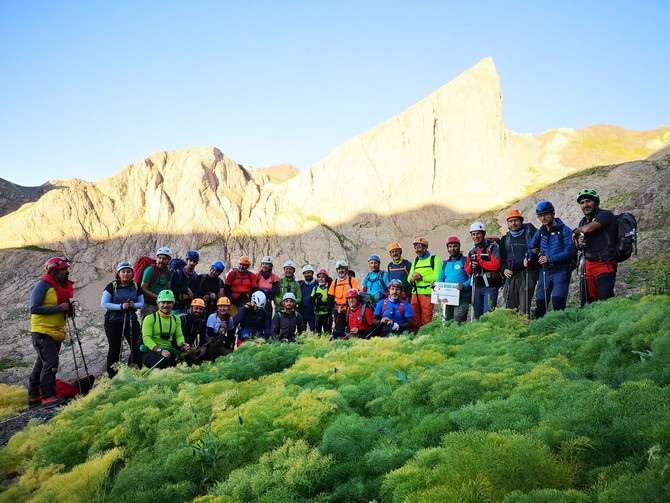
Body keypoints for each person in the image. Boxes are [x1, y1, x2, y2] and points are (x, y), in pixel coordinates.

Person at [28, 257, 74, 409]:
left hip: (56, 332)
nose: (67, 272)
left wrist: (68, 310)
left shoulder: (60, 287)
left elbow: (60, 307)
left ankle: (34, 396)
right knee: (51, 362)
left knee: (42, 364)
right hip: (42, 332)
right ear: (54, 272)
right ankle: (47, 397)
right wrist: (59, 308)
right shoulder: (42, 285)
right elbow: (33, 308)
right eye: (64, 270)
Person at [525, 201, 577, 318]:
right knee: (541, 303)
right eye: (540, 216)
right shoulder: (541, 232)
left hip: (562, 270)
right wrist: (528, 257)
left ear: (553, 214)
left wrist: (549, 258)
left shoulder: (565, 230)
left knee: (558, 301)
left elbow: (570, 251)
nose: (543, 218)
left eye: (546, 215)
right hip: (545, 271)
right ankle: (541, 331)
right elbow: (532, 247)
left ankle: (560, 328)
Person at [572, 188, 618, 302]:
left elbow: (588, 229)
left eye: (588, 201)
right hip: (588, 264)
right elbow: (579, 247)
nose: (585, 205)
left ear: (595, 202)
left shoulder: (605, 215)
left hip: (604, 262)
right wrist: (579, 243)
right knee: (589, 300)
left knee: (605, 300)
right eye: (582, 203)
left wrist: (575, 232)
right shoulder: (583, 222)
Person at [100, 261, 145, 377]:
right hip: (113, 321)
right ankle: (113, 375)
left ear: (132, 273)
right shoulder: (112, 286)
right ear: (118, 273)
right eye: (123, 271)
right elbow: (104, 303)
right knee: (115, 349)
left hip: (131, 319)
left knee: (136, 346)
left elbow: (141, 302)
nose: (126, 274)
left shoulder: (136, 286)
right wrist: (121, 307)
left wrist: (133, 305)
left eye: (128, 271)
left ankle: (135, 371)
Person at [500, 210, 538, 315]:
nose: (513, 223)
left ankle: (525, 326)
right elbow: (502, 258)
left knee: (525, 305)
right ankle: (512, 328)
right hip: (511, 273)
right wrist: (504, 270)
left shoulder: (530, 235)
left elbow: (536, 249)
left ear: (521, 221)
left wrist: (530, 258)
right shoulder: (504, 239)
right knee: (510, 307)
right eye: (510, 221)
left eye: (516, 220)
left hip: (528, 272)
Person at [141, 290, 190, 370]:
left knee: (178, 367)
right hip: (151, 351)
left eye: (169, 303)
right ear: (158, 304)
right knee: (161, 363)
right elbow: (146, 339)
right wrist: (160, 351)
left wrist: (182, 343)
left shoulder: (176, 319)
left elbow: (179, 335)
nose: (165, 305)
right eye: (163, 303)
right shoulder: (149, 318)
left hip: (168, 351)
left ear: (173, 304)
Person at [464, 223, 503, 321]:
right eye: (473, 234)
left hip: (490, 286)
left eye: (478, 234)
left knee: (488, 315)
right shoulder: (472, 252)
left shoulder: (493, 248)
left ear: (483, 233)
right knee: (477, 315)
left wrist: (479, 262)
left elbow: (496, 265)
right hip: (476, 286)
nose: (476, 236)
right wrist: (471, 266)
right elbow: (467, 270)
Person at [434, 236, 471, 323]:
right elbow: (440, 279)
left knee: (458, 319)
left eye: (455, 246)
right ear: (447, 248)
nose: (452, 249)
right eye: (450, 247)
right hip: (447, 297)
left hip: (462, 296)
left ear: (459, 246)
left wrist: (464, 285)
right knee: (447, 320)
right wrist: (436, 286)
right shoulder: (445, 264)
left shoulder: (465, 261)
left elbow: (471, 278)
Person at [408, 237, 441, 333]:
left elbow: (438, 277)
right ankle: (416, 335)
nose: (417, 250)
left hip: (427, 293)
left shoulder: (434, 259)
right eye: (415, 248)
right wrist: (412, 278)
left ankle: (426, 335)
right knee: (415, 316)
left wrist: (421, 278)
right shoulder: (416, 260)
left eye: (419, 247)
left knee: (427, 317)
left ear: (425, 247)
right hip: (415, 293)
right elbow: (409, 277)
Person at [140, 247, 171, 322]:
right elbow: (143, 288)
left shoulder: (167, 272)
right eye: (159, 258)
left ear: (169, 260)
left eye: (164, 259)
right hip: (149, 305)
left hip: (162, 306)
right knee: (147, 328)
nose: (161, 261)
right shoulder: (150, 270)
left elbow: (168, 289)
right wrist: (159, 298)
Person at [328, 260, 360, 335]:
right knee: (339, 331)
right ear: (337, 270)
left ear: (346, 269)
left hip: (350, 310)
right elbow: (331, 297)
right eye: (339, 269)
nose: (340, 270)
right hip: (338, 310)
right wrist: (332, 310)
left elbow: (357, 294)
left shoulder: (352, 280)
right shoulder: (334, 282)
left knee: (350, 330)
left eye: (342, 268)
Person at [179, 298, 209, 365]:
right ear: (191, 308)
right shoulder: (182, 319)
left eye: (201, 309)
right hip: (180, 348)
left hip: (192, 349)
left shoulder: (201, 323)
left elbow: (203, 337)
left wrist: (204, 346)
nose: (198, 311)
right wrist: (186, 348)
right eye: (196, 308)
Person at [170, 250, 201, 314]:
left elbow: (197, 293)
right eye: (190, 260)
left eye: (194, 261)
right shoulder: (177, 273)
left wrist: (189, 296)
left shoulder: (196, 277)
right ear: (186, 261)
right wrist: (186, 289)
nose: (192, 263)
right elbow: (172, 289)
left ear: (196, 263)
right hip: (175, 307)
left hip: (188, 307)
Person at [312, 268, 332, 334]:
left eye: (323, 277)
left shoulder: (329, 288)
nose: (321, 278)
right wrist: (315, 296)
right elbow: (311, 300)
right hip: (317, 313)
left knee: (327, 331)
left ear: (326, 278)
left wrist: (325, 303)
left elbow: (331, 300)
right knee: (318, 331)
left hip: (326, 313)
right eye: (319, 277)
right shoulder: (315, 288)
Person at [298, 265, 318, 331]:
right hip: (302, 312)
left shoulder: (317, 284)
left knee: (313, 332)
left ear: (312, 273)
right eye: (305, 273)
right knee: (301, 331)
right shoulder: (301, 284)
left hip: (313, 313)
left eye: (309, 272)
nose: (307, 274)